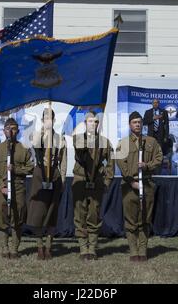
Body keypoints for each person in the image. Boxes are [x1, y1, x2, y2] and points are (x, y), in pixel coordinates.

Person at [116, 111, 162, 262]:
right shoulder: (123, 143)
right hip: (130, 185)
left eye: (139, 122)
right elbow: (120, 163)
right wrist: (131, 181)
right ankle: (133, 251)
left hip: (147, 184)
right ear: (130, 125)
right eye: (134, 122)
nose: (137, 124)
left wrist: (147, 165)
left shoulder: (151, 142)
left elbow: (159, 158)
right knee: (130, 220)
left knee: (145, 219)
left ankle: (143, 251)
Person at [72, 111, 114, 260]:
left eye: (96, 122)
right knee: (80, 214)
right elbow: (80, 150)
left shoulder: (105, 141)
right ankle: (83, 247)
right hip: (80, 179)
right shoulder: (78, 139)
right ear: (85, 123)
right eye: (90, 121)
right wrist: (92, 140)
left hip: (96, 181)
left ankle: (92, 247)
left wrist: (107, 181)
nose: (93, 124)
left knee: (94, 214)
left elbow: (110, 162)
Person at [0, 118, 34, 259]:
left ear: (18, 131)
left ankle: (14, 248)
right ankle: (4, 248)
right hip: (1, 189)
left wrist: (17, 169)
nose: (11, 131)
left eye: (14, 128)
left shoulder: (24, 149)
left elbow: (31, 168)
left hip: (18, 189)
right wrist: (1, 186)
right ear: (3, 131)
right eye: (8, 128)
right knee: (2, 220)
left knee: (17, 219)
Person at [26, 108, 67, 260]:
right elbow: (35, 143)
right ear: (43, 120)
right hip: (39, 174)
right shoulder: (37, 135)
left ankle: (49, 246)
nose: (48, 120)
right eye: (45, 117)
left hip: (54, 174)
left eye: (51, 117)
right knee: (38, 212)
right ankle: (39, 245)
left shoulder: (60, 138)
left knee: (52, 211)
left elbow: (63, 160)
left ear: (55, 120)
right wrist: (44, 131)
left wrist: (62, 179)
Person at [143, 99, 169, 174]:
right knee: (150, 153)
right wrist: (152, 119)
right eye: (154, 103)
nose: (155, 104)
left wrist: (166, 136)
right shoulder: (148, 112)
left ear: (158, 103)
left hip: (160, 136)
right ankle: (151, 170)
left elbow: (166, 125)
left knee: (159, 153)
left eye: (157, 102)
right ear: (152, 104)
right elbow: (144, 122)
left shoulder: (163, 112)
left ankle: (158, 171)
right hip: (151, 136)